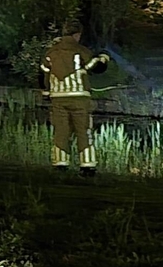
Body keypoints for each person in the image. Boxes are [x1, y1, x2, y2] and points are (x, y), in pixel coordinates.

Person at [41, 21, 111, 175]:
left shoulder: (50, 53)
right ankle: (87, 166)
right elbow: (97, 68)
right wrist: (104, 57)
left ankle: (60, 164)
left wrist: (47, 92)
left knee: (61, 131)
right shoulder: (81, 51)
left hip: (58, 98)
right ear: (77, 35)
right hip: (79, 98)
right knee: (83, 130)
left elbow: (44, 75)